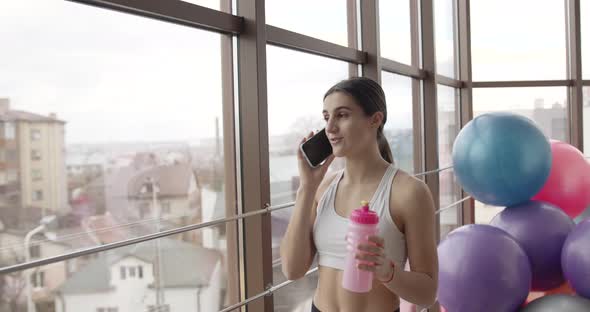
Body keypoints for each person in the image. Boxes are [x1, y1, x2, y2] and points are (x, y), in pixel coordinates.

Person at [280, 77, 438, 312]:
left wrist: (388, 271)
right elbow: (292, 269)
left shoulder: (409, 193)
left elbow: (427, 293)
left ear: (375, 119)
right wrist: (307, 188)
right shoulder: (322, 188)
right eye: (326, 117)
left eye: (342, 115)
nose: (330, 128)